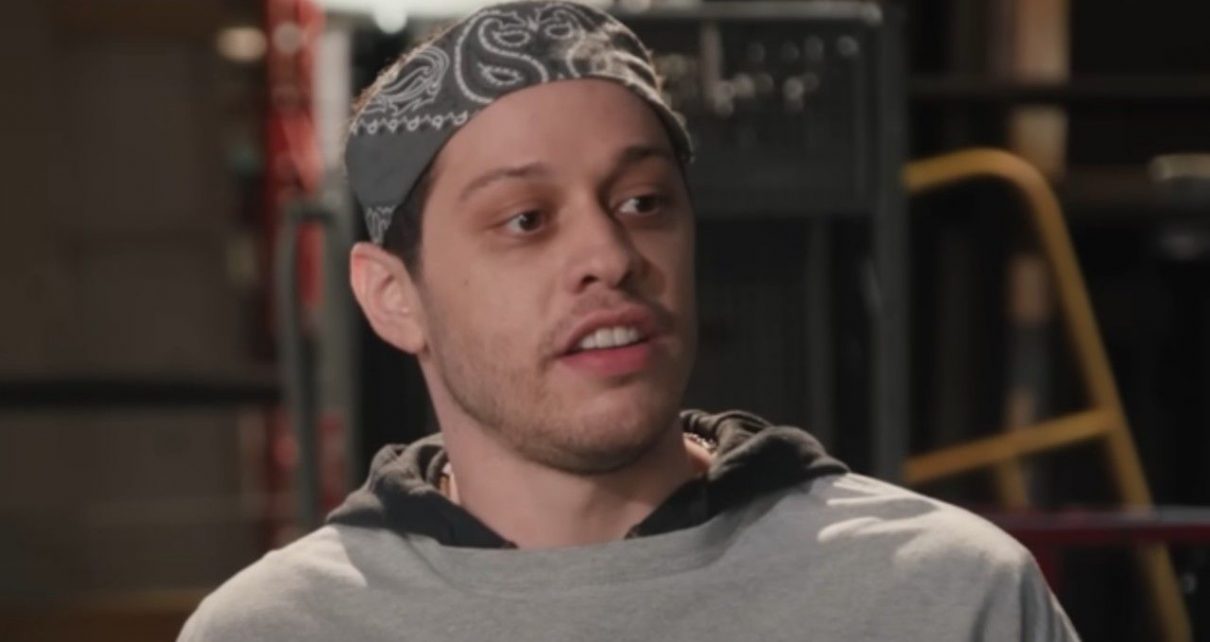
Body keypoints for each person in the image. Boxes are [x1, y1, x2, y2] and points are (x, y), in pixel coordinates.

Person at [179, 1, 1080, 639]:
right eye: (526, 220)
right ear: (392, 296)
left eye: (643, 202)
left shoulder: (942, 596)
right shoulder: (278, 630)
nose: (609, 254)